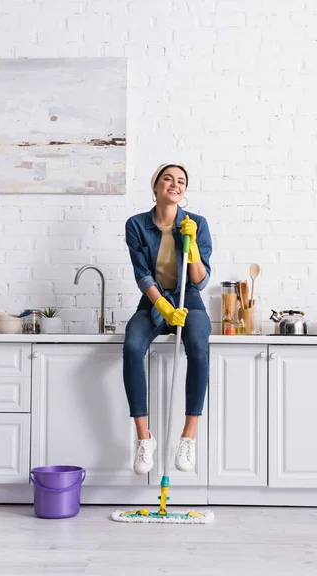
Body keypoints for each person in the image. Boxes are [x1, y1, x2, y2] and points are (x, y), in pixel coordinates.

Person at [123, 163, 212, 475]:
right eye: (168, 179)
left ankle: (188, 438)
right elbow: (142, 275)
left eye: (181, 181)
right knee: (133, 346)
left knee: (199, 347)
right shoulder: (136, 225)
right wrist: (164, 309)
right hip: (154, 302)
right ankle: (144, 440)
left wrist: (194, 252)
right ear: (156, 186)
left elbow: (200, 281)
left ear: (184, 192)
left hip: (191, 300)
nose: (175, 184)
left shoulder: (196, 223)